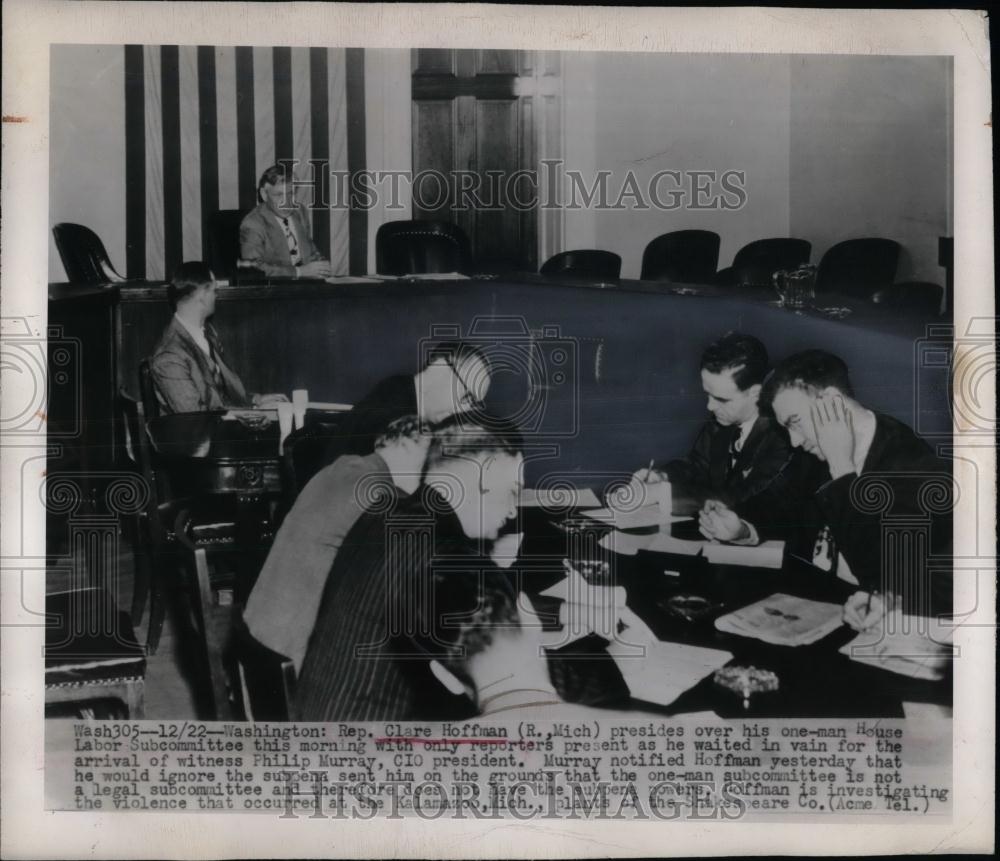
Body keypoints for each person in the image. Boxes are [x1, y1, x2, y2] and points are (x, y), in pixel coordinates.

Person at [699, 349, 952, 630]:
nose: (794, 441)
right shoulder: (814, 451)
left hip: (872, 622)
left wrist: (841, 468)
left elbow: (881, 572)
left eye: (795, 421)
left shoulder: (914, 466)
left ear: (832, 402)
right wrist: (742, 527)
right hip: (814, 602)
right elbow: (783, 502)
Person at [295, 414, 526, 721]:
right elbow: (514, 684)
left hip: (320, 720)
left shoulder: (383, 514)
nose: (513, 510)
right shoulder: (451, 556)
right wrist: (612, 652)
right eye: (512, 490)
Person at [242, 415, 431, 673]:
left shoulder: (341, 467)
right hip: (292, 662)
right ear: (409, 447)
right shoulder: (380, 493)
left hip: (254, 638)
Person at [630, 332, 809, 526]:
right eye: (708, 395)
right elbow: (696, 465)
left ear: (756, 393)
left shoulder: (784, 436)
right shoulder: (722, 420)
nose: (710, 406)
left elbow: (747, 497)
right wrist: (661, 476)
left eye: (721, 399)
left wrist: (662, 493)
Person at [149, 262, 287, 413]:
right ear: (202, 296)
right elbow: (195, 417)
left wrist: (255, 400)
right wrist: (253, 411)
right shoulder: (169, 357)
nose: (217, 296)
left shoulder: (206, 332)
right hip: (198, 432)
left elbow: (219, 394)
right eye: (214, 291)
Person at [330, 341, 492, 459]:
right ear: (440, 370)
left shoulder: (397, 389)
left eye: (474, 405)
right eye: (468, 398)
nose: (467, 412)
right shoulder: (396, 417)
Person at [239, 164, 333, 278]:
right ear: (264, 194)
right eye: (278, 195)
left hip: (306, 287)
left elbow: (311, 252)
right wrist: (299, 272)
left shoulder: (300, 212)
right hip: (276, 291)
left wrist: (321, 266)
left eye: (290, 194)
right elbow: (253, 267)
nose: (287, 202)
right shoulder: (252, 223)